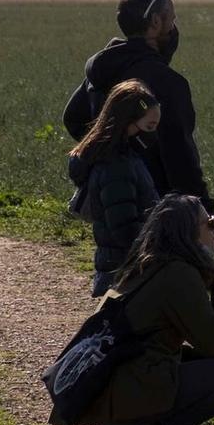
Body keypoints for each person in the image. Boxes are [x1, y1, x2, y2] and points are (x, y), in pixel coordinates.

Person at [81, 196, 214, 425]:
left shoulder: (147, 264)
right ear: (188, 232)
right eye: (209, 223)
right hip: (130, 384)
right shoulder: (178, 274)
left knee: (195, 359)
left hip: (115, 384)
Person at [67, 0, 214, 218]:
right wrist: (204, 212)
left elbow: (74, 119)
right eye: (172, 20)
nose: (174, 28)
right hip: (155, 205)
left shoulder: (105, 67)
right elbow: (181, 160)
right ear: (155, 23)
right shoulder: (168, 82)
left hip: (110, 197)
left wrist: (111, 154)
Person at [68, 80, 163, 294]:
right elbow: (124, 229)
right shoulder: (117, 167)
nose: (152, 134)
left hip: (122, 271)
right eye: (149, 126)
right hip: (123, 275)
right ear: (129, 121)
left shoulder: (125, 158)